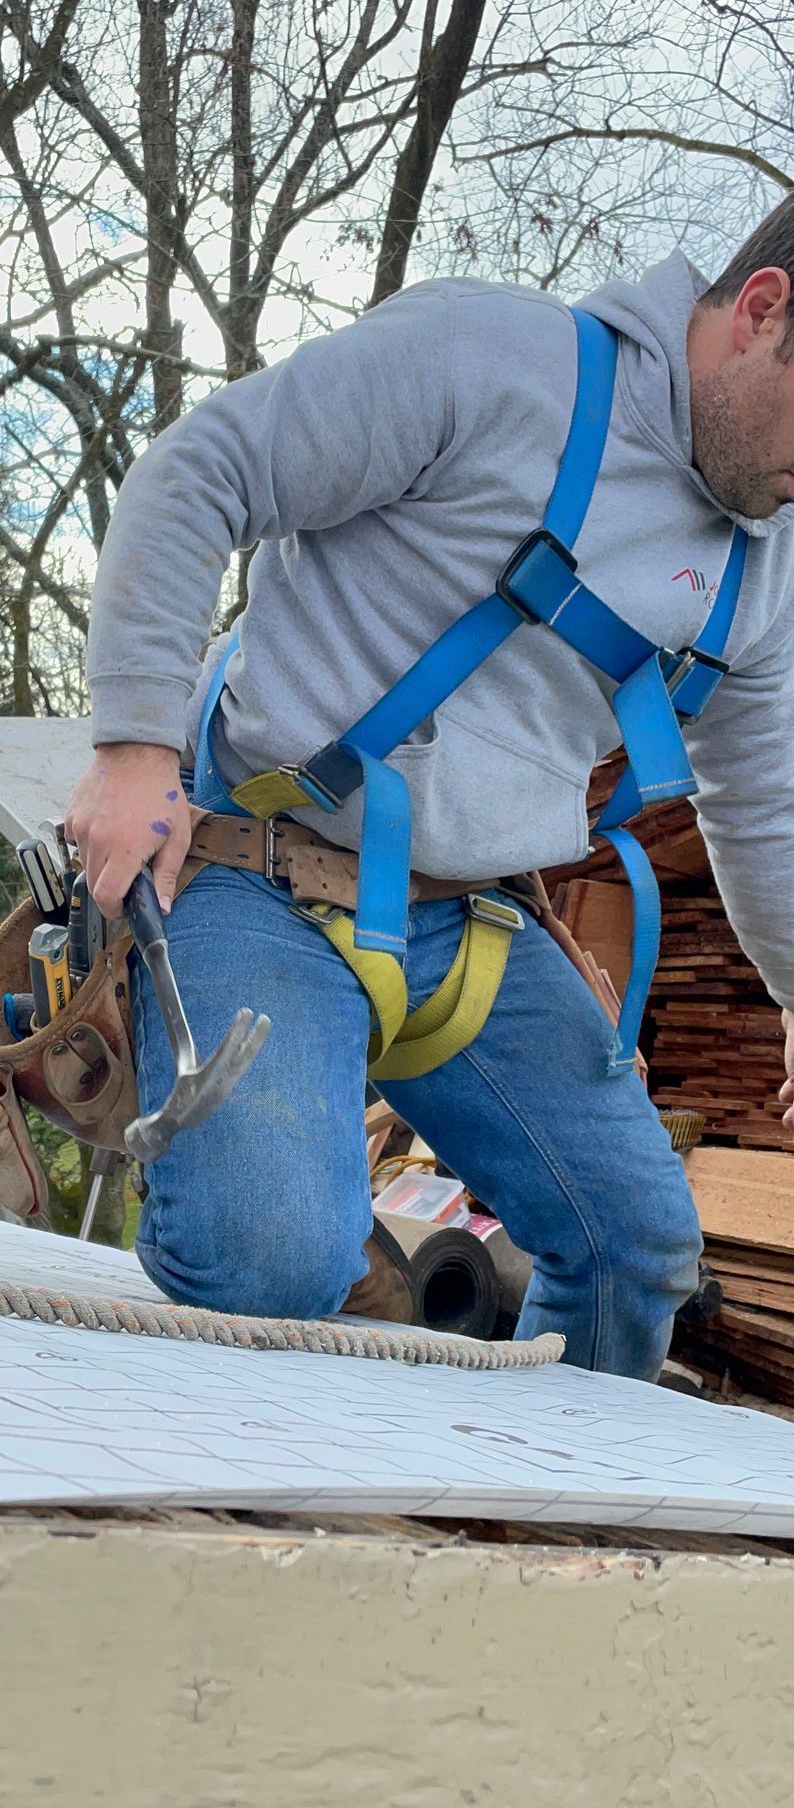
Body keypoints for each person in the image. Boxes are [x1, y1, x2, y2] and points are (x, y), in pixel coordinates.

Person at [66, 198, 794, 1381]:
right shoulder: (489, 360)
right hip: (263, 876)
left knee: (638, 1250)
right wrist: (137, 740)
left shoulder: (762, 571)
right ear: (761, 314)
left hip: (476, 926)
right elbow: (203, 469)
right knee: (273, 1257)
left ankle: (539, 1521)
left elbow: (765, 806)